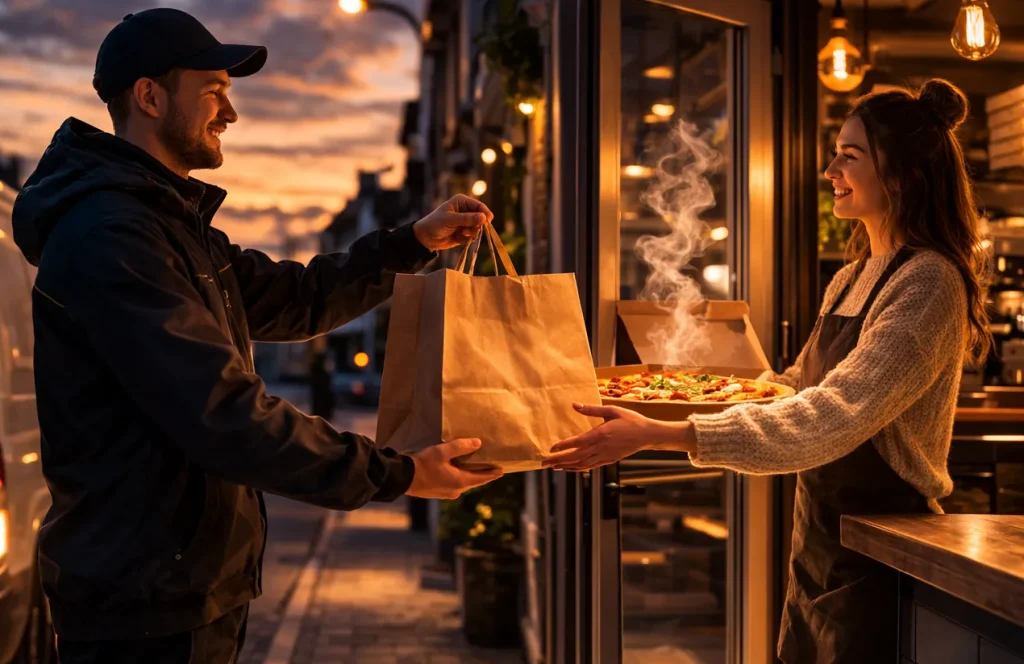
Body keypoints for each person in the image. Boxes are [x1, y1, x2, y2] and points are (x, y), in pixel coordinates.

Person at [12, 8, 502, 663]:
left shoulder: (168, 227)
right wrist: (398, 473)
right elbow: (222, 413)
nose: (230, 112)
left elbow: (296, 300)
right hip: (143, 605)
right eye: (213, 90)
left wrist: (411, 243)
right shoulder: (113, 237)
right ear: (150, 96)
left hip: (185, 587)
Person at [545, 78, 989, 663]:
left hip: (888, 549)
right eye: (835, 152)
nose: (830, 168)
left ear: (903, 175)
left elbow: (831, 416)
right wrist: (700, 389)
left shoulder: (928, 282)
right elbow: (796, 386)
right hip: (820, 543)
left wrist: (665, 433)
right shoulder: (852, 276)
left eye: (849, 156)